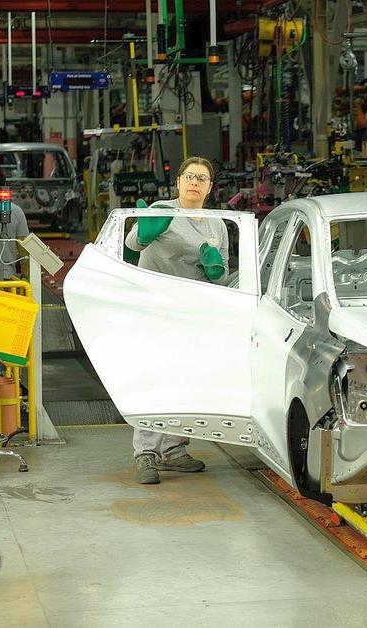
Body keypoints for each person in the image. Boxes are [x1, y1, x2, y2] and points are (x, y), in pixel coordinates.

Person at [124, 156, 229, 484]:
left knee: (187, 381)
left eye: (202, 178)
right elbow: (130, 244)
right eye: (190, 176)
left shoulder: (217, 224)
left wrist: (215, 268)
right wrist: (144, 235)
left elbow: (222, 273)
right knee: (155, 379)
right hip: (155, 307)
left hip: (192, 312)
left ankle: (173, 450)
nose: (195, 182)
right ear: (179, 182)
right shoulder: (161, 210)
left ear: (210, 187)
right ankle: (146, 453)